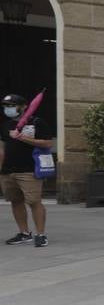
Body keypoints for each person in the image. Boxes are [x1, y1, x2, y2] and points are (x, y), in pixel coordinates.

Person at [1, 93, 54, 248]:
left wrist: (22, 137)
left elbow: (47, 143)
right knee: (15, 202)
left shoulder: (37, 122)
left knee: (34, 202)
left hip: (29, 170)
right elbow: (3, 149)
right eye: (6, 106)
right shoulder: (6, 125)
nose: (8, 109)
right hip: (8, 171)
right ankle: (24, 233)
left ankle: (40, 234)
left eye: (12, 106)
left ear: (24, 106)